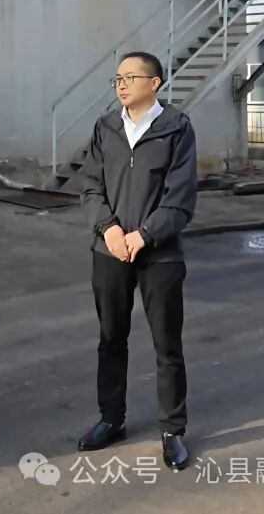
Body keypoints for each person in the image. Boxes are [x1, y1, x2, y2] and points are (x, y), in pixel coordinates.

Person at [76, 51, 197, 472]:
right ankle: (111, 418)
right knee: (111, 338)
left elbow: (180, 198)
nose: (121, 85)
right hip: (109, 251)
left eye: (130, 77)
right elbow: (90, 186)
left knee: (167, 343)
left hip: (158, 253)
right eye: (117, 79)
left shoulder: (176, 128)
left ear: (155, 82)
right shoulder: (106, 127)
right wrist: (109, 230)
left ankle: (172, 431)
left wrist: (144, 235)